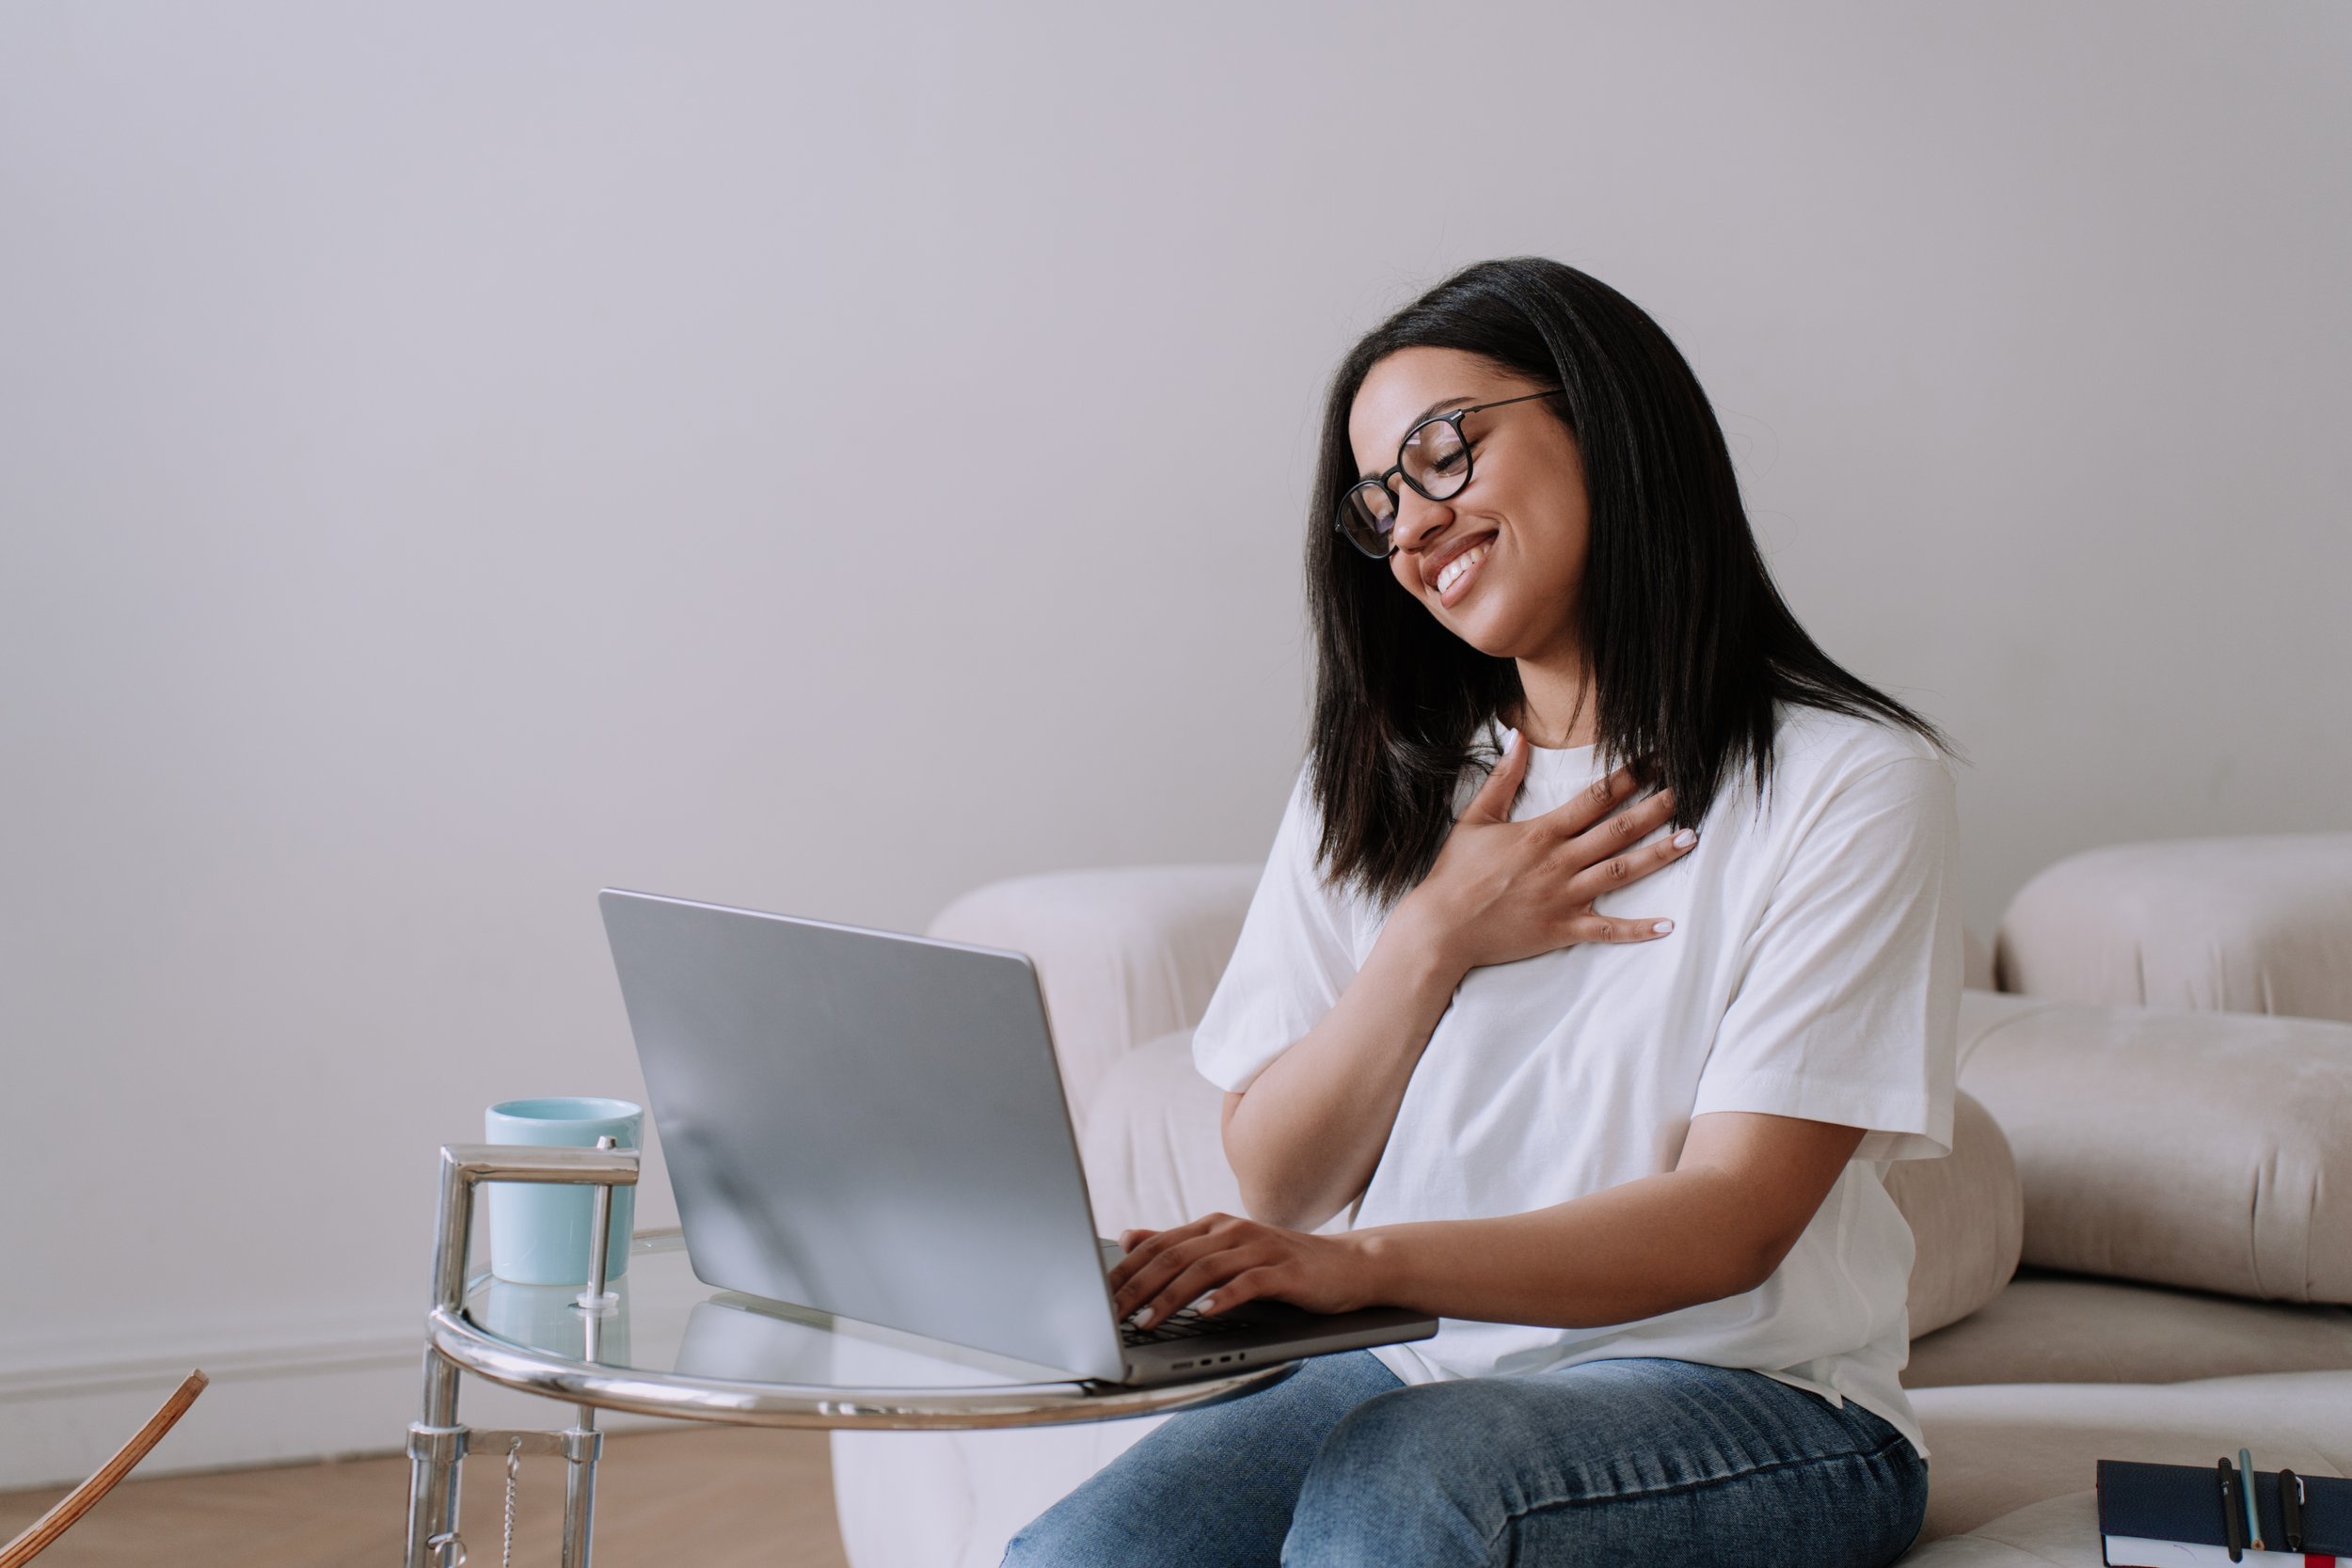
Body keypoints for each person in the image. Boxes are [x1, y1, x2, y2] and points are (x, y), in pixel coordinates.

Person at [1003, 256, 1965, 1568]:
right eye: (1378, 501)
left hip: (1768, 1405)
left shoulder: (1848, 783)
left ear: (1607, 420)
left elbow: (1737, 1218)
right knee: (1085, 1556)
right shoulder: (1385, 781)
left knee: (1404, 1497)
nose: (1409, 527)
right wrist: (1433, 937)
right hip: (1421, 1376)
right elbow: (1282, 1172)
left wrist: (1367, 1268)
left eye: (1441, 452)